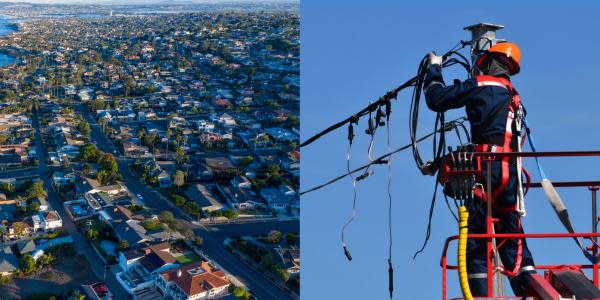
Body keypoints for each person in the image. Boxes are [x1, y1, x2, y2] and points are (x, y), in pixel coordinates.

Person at [423, 42, 535, 296]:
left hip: (484, 172)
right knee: (512, 234)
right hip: (510, 176)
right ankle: (528, 286)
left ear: (486, 63)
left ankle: (480, 294)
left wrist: (434, 69)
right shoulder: (513, 97)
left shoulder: (480, 85)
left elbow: (436, 99)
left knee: (477, 240)